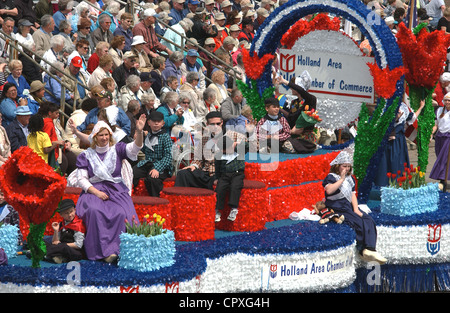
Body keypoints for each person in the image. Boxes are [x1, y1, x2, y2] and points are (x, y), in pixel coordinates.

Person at [72, 115, 146, 262]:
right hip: (93, 190)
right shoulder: (86, 155)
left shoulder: (117, 149)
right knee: (94, 211)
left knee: (121, 213)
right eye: (101, 135)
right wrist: (96, 192)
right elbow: (81, 179)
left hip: (116, 190)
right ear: (95, 137)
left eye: (107, 135)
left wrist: (139, 132)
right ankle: (99, 251)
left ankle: (117, 251)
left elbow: (135, 148)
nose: (104, 138)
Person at [323, 150, 387, 264]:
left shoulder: (350, 178)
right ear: (338, 166)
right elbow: (329, 190)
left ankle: (370, 248)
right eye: (344, 166)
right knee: (357, 222)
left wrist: (356, 209)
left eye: (348, 166)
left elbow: (352, 194)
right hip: (337, 207)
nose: (346, 169)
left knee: (368, 219)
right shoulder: (331, 177)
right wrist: (341, 179)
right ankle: (363, 248)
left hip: (347, 206)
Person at [175, 111, 245, 189]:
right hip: (206, 173)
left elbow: (249, 145)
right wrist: (194, 166)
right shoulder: (204, 138)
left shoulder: (233, 135)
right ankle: (180, 199)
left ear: (222, 122)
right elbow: (198, 159)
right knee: (183, 173)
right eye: (212, 124)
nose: (215, 126)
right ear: (207, 124)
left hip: (223, 174)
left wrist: (237, 145)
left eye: (218, 124)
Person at [374, 100, 425, 187]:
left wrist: (421, 107)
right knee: (386, 161)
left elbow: (412, 118)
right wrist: (395, 119)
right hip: (387, 139)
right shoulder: (383, 105)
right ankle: (384, 184)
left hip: (399, 139)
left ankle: (399, 184)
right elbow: (380, 123)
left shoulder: (403, 106)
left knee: (398, 161)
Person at [132, 111, 173, 197]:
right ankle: (133, 197)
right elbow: (142, 149)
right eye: (154, 121)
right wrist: (137, 138)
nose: (156, 123)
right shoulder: (148, 135)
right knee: (132, 172)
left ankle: (157, 200)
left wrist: (157, 168)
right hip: (148, 163)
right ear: (149, 123)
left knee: (152, 178)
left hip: (161, 166)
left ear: (163, 123)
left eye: (159, 121)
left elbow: (168, 157)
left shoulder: (166, 137)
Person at [214, 134, 245, 222]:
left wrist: (237, 144)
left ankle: (234, 208)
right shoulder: (219, 155)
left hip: (237, 174)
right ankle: (217, 210)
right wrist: (217, 178)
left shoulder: (239, 150)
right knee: (220, 188)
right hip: (224, 175)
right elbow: (217, 167)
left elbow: (250, 146)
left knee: (235, 187)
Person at [45, 199, 86, 263]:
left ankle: (43, 253)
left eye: (71, 211)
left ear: (75, 210)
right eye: (66, 213)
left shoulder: (78, 224)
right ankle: (57, 257)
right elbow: (55, 242)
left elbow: (79, 245)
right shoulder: (61, 224)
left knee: (63, 247)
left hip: (75, 252)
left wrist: (62, 244)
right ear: (61, 215)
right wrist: (56, 231)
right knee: (44, 242)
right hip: (61, 248)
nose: (70, 215)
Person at [430, 93, 450, 187]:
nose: (447, 102)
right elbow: (436, 125)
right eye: (446, 100)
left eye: (449, 100)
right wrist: (431, 133)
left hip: (448, 137)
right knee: (440, 156)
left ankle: (443, 179)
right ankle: (444, 177)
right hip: (439, 137)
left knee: (444, 158)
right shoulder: (439, 110)